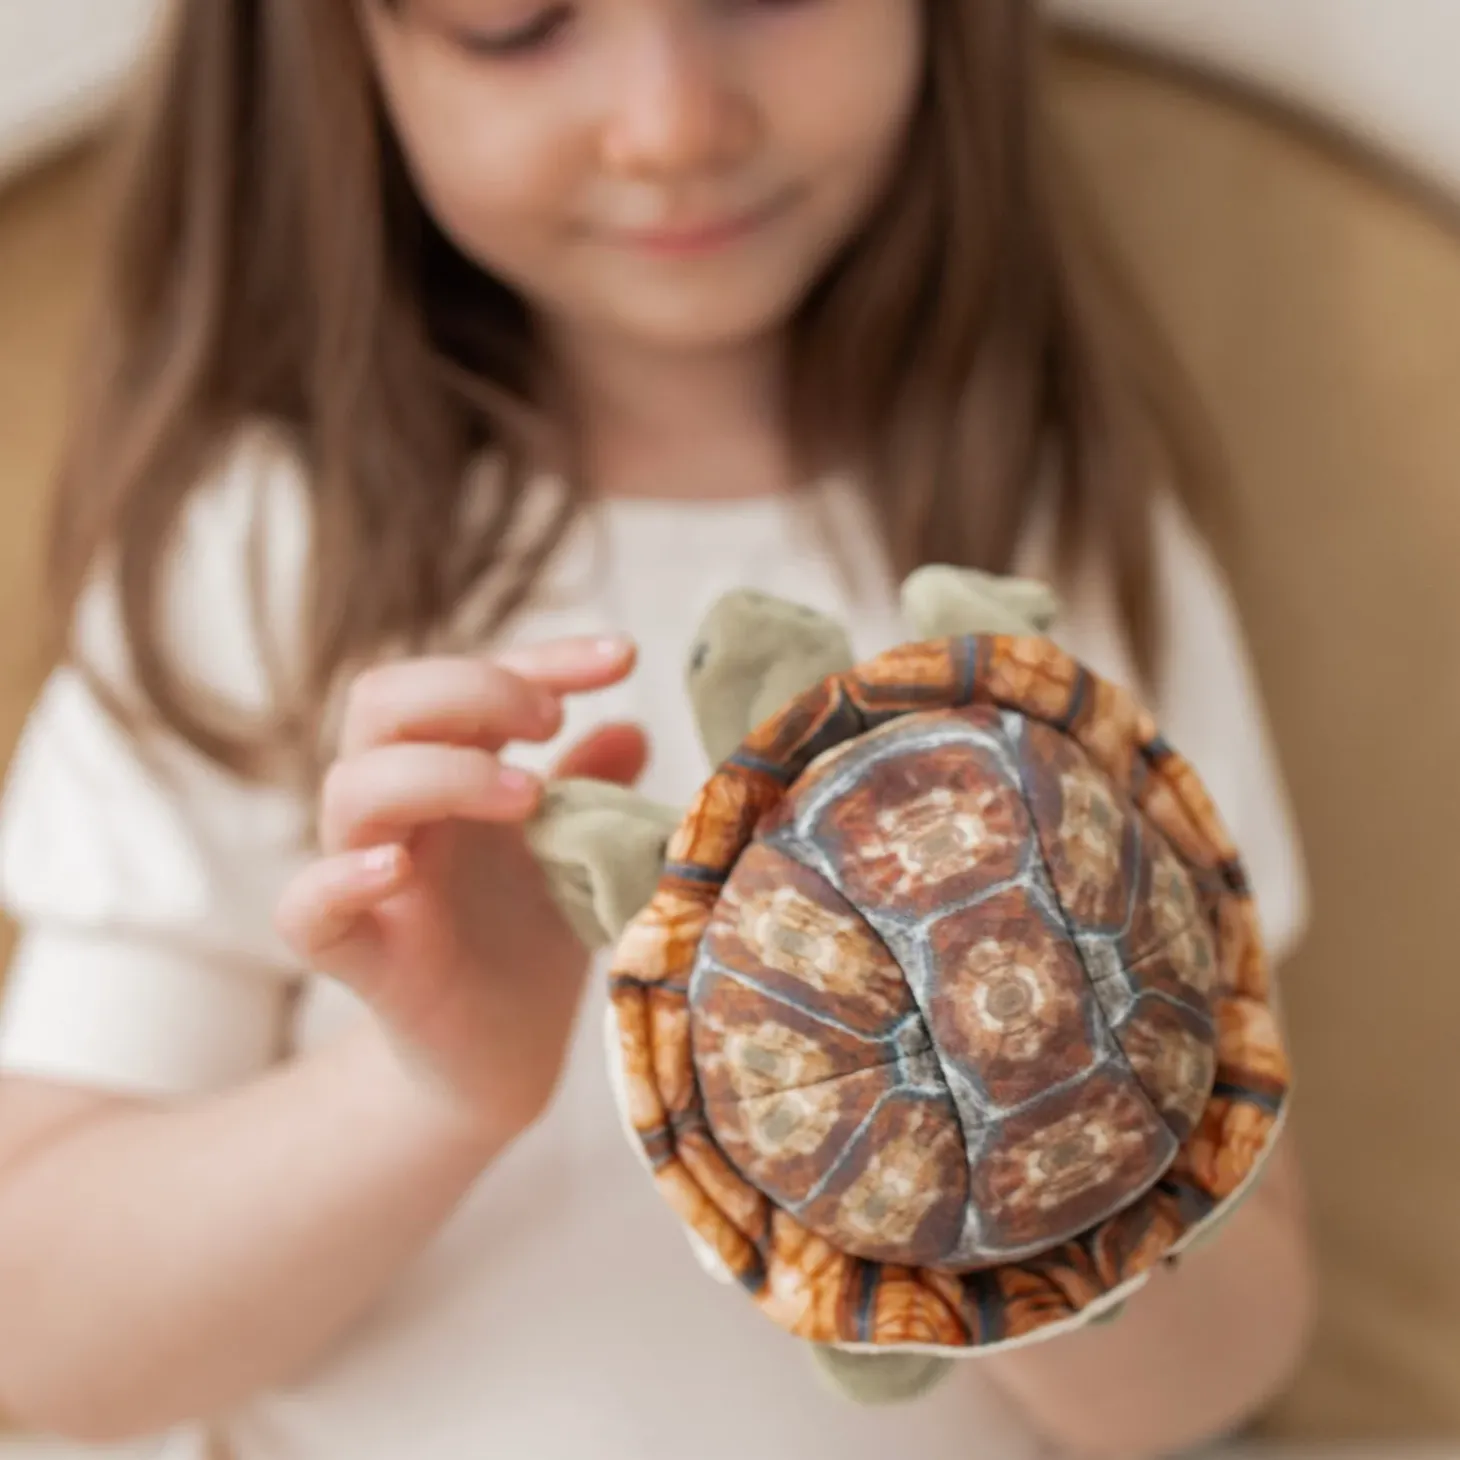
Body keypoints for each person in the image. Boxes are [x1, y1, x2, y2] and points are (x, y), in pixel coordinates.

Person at [0, 2, 1315, 1457]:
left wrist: (1008, 1170)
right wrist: (426, 1089)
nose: (674, 126)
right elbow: (37, 1339)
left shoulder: (1062, 549)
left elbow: (1223, 1367)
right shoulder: (259, 555)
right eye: (513, 22)